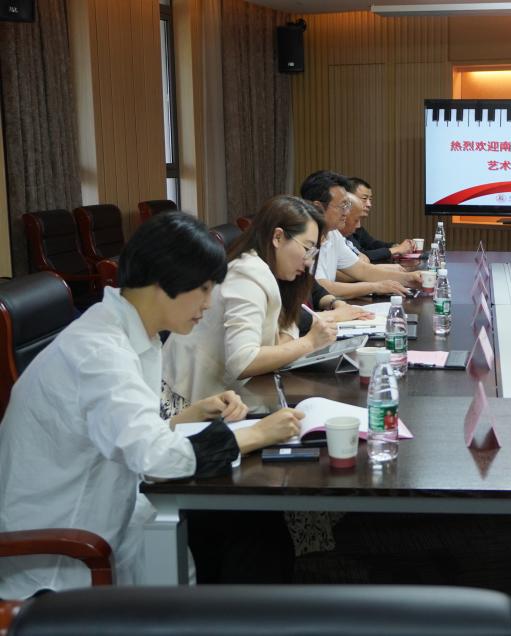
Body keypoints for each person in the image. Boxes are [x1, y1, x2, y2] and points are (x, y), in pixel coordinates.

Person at [0, 212, 303, 599]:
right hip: (62, 555)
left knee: (249, 528)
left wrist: (186, 417)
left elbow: (123, 433)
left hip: (106, 510)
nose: (209, 303)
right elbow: (154, 457)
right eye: (204, 289)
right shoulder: (99, 351)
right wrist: (257, 434)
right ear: (164, 282)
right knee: (250, 536)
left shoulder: (129, 332)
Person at [162, 195, 338, 410]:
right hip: (188, 401)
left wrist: (285, 346)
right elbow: (243, 361)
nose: (309, 260)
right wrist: (309, 343)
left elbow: (288, 326)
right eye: (307, 248)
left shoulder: (275, 273)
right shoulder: (247, 274)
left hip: (228, 397)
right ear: (278, 237)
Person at [300, 170, 422, 299]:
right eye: (342, 205)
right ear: (318, 207)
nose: (347, 212)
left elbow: (362, 270)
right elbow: (321, 287)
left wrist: (409, 278)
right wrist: (375, 287)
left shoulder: (333, 234)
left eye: (347, 205)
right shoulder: (303, 239)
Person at [348, 176, 415, 262]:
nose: (369, 204)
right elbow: (360, 257)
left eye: (370, 199)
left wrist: (395, 246)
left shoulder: (356, 227)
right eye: (364, 199)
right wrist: (396, 250)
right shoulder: (340, 229)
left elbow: (372, 244)